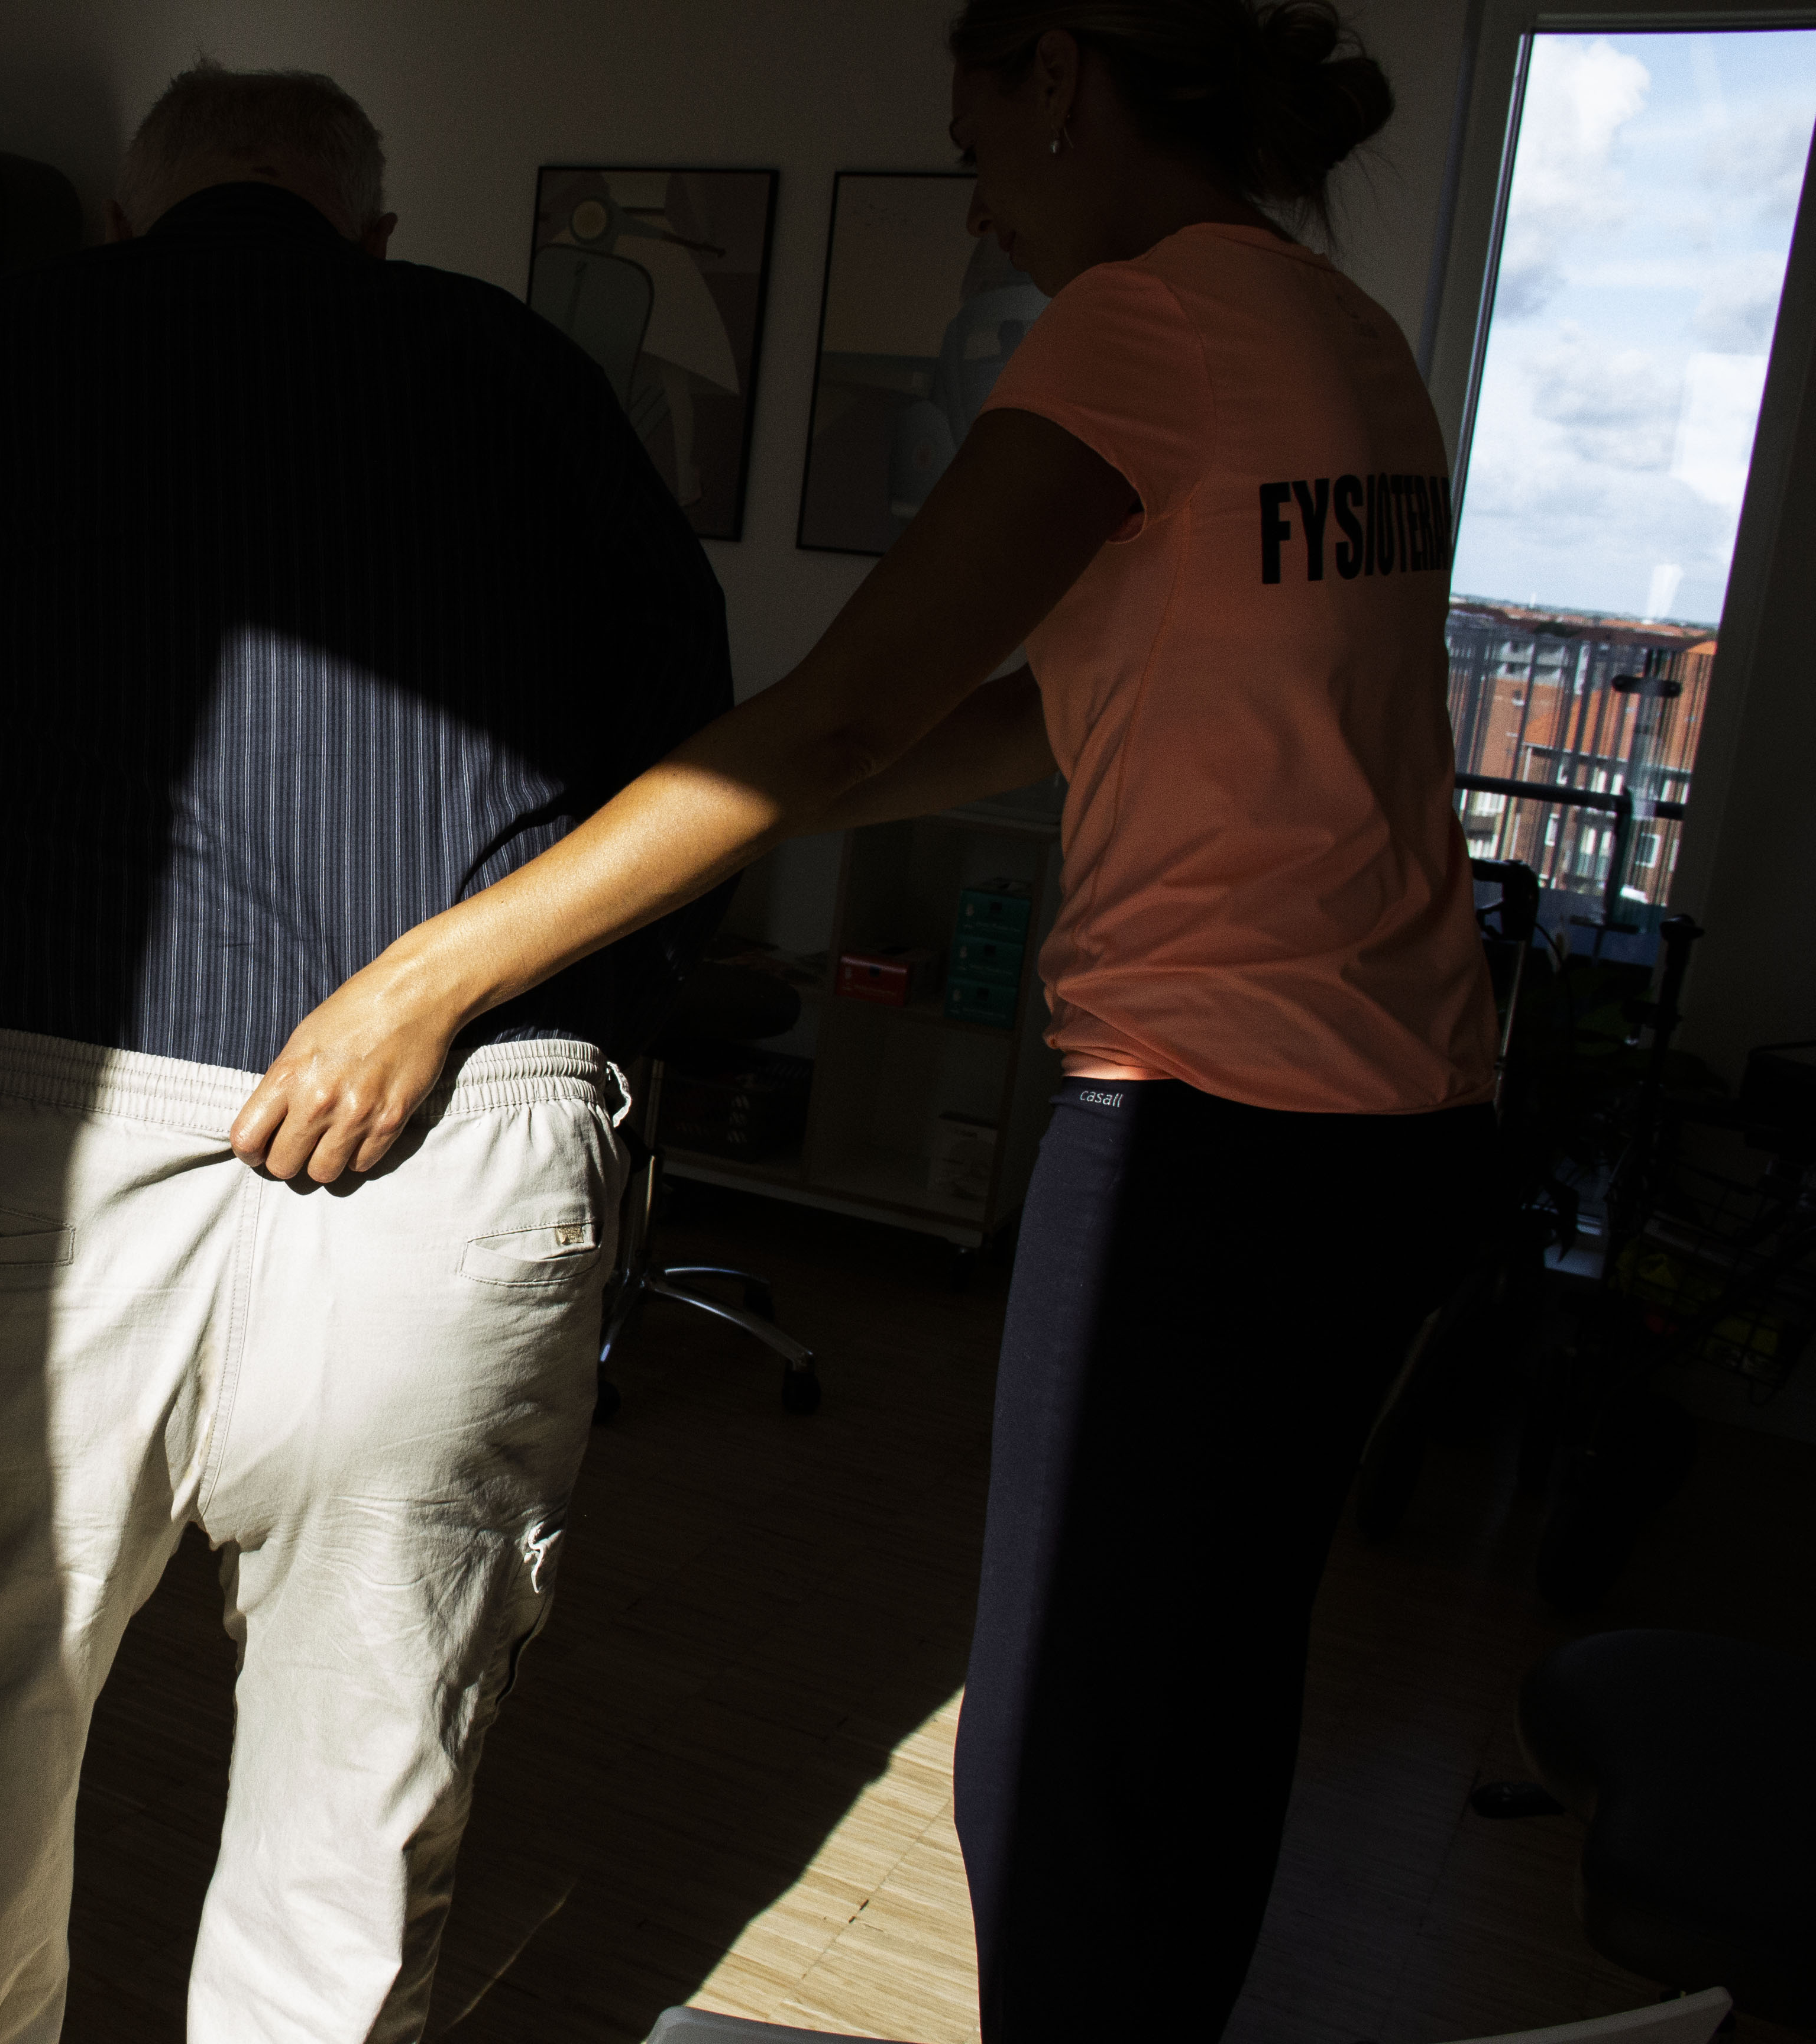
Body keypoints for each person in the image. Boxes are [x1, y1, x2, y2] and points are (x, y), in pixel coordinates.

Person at [228, 5, 1496, 2037]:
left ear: (1063, 77)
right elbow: (1041, 716)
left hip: (1214, 1130)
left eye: (975, 142)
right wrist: (676, 806)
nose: (981, 211)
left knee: (1067, 1760)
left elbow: (840, 713)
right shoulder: (1342, 334)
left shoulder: (1145, 324)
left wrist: (433, 967)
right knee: (1204, 1701)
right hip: (1398, 1124)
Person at [0, 62, 733, 2044]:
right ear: (370, 231)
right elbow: (691, 759)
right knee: (355, 1829)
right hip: (451, 1141)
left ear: (126, 220)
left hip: (31, 1137)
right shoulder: (523, 369)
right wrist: (598, 1042)